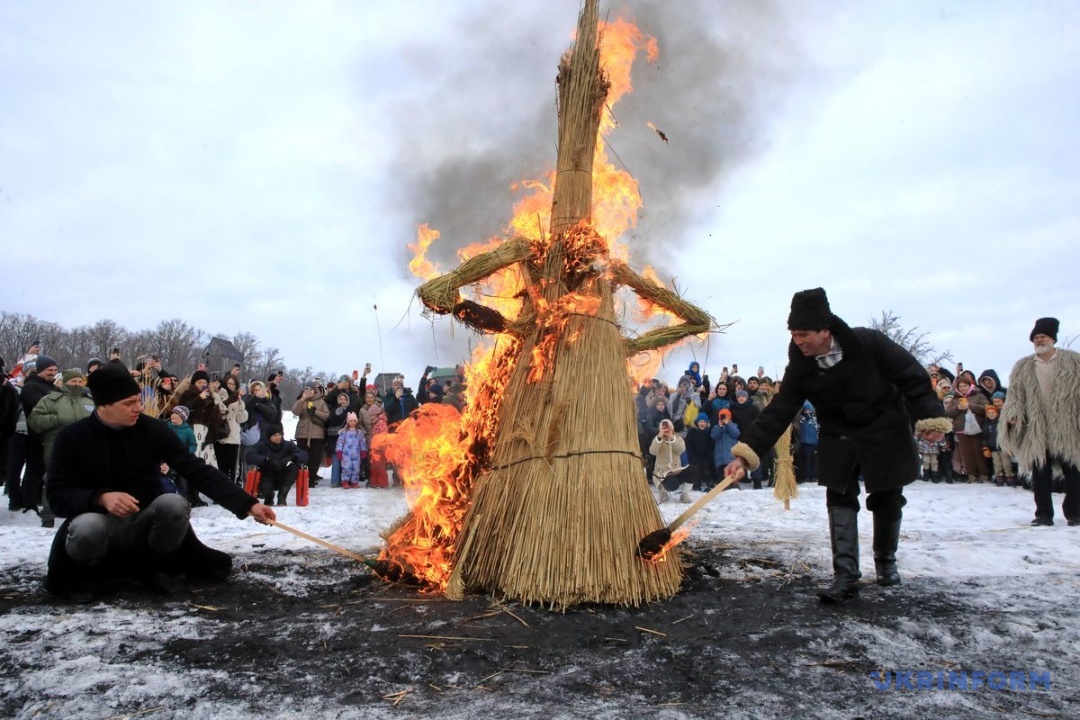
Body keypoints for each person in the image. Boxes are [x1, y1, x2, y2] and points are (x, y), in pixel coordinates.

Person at [725, 288, 950, 603]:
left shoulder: (869, 343)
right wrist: (745, 454)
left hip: (883, 429)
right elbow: (779, 410)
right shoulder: (800, 366)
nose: (798, 341)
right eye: (793, 334)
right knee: (839, 497)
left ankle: (886, 563)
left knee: (887, 499)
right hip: (838, 434)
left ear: (824, 330)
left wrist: (929, 417)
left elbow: (911, 376)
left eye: (804, 334)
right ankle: (845, 576)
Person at [43, 363, 276, 602]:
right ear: (104, 405)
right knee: (87, 527)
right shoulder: (72, 437)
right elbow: (57, 495)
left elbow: (196, 470)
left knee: (174, 504)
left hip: (145, 522)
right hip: (99, 521)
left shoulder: (151, 429)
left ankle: (159, 569)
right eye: (129, 403)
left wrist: (248, 504)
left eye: (138, 400)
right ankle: (86, 577)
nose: (138, 407)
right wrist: (100, 498)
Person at [1000, 318, 1080, 526]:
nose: (1039, 340)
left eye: (1043, 336)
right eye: (1036, 337)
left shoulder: (1073, 361)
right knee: (1040, 472)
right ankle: (1043, 514)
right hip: (1037, 427)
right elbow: (1015, 394)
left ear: (1053, 338)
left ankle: (1075, 513)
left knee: (1073, 471)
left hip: (1066, 426)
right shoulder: (1024, 366)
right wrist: (1013, 413)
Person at [27, 368, 94, 527]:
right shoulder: (50, 400)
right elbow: (34, 421)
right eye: (73, 381)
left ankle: (80, 514)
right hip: (57, 448)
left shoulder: (90, 401)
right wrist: (56, 419)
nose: (77, 384)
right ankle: (48, 517)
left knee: (84, 481)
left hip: (85, 449)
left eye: (80, 381)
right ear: (64, 383)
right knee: (53, 480)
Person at [245, 423, 308, 506]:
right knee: (266, 489)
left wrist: (292, 457)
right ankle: (269, 497)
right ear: (269, 437)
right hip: (267, 474)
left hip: (283, 474)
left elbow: (304, 455)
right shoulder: (261, 446)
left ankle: (282, 496)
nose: (278, 437)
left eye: (279, 434)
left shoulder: (288, 445)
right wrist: (266, 460)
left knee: (293, 468)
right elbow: (249, 456)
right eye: (275, 435)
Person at [291, 381, 329, 486]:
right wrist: (302, 400)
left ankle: (311, 479)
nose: (309, 392)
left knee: (314, 458)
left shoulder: (321, 402)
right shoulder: (301, 400)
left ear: (315, 390)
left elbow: (326, 416)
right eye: (307, 389)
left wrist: (315, 412)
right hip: (302, 433)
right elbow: (295, 412)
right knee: (302, 457)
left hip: (317, 434)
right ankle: (301, 478)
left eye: (311, 390)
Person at [649, 418, 687, 502]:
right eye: (664, 428)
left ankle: (685, 494)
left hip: (676, 470)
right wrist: (659, 437)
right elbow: (652, 452)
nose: (666, 430)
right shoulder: (658, 440)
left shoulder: (678, 438)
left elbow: (681, 450)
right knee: (672, 485)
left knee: (693, 470)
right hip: (662, 472)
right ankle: (662, 489)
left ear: (672, 428)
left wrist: (672, 438)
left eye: (668, 427)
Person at [335, 412, 368, 488]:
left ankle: (354, 481)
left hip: (356, 454)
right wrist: (339, 451)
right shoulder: (344, 432)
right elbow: (340, 442)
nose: (352, 423)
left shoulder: (359, 432)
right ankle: (345, 481)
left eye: (354, 421)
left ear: (356, 422)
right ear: (348, 422)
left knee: (356, 468)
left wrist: (363, 451)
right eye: (351, 421)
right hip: (346, 454)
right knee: (346, 467)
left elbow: (362, 442)